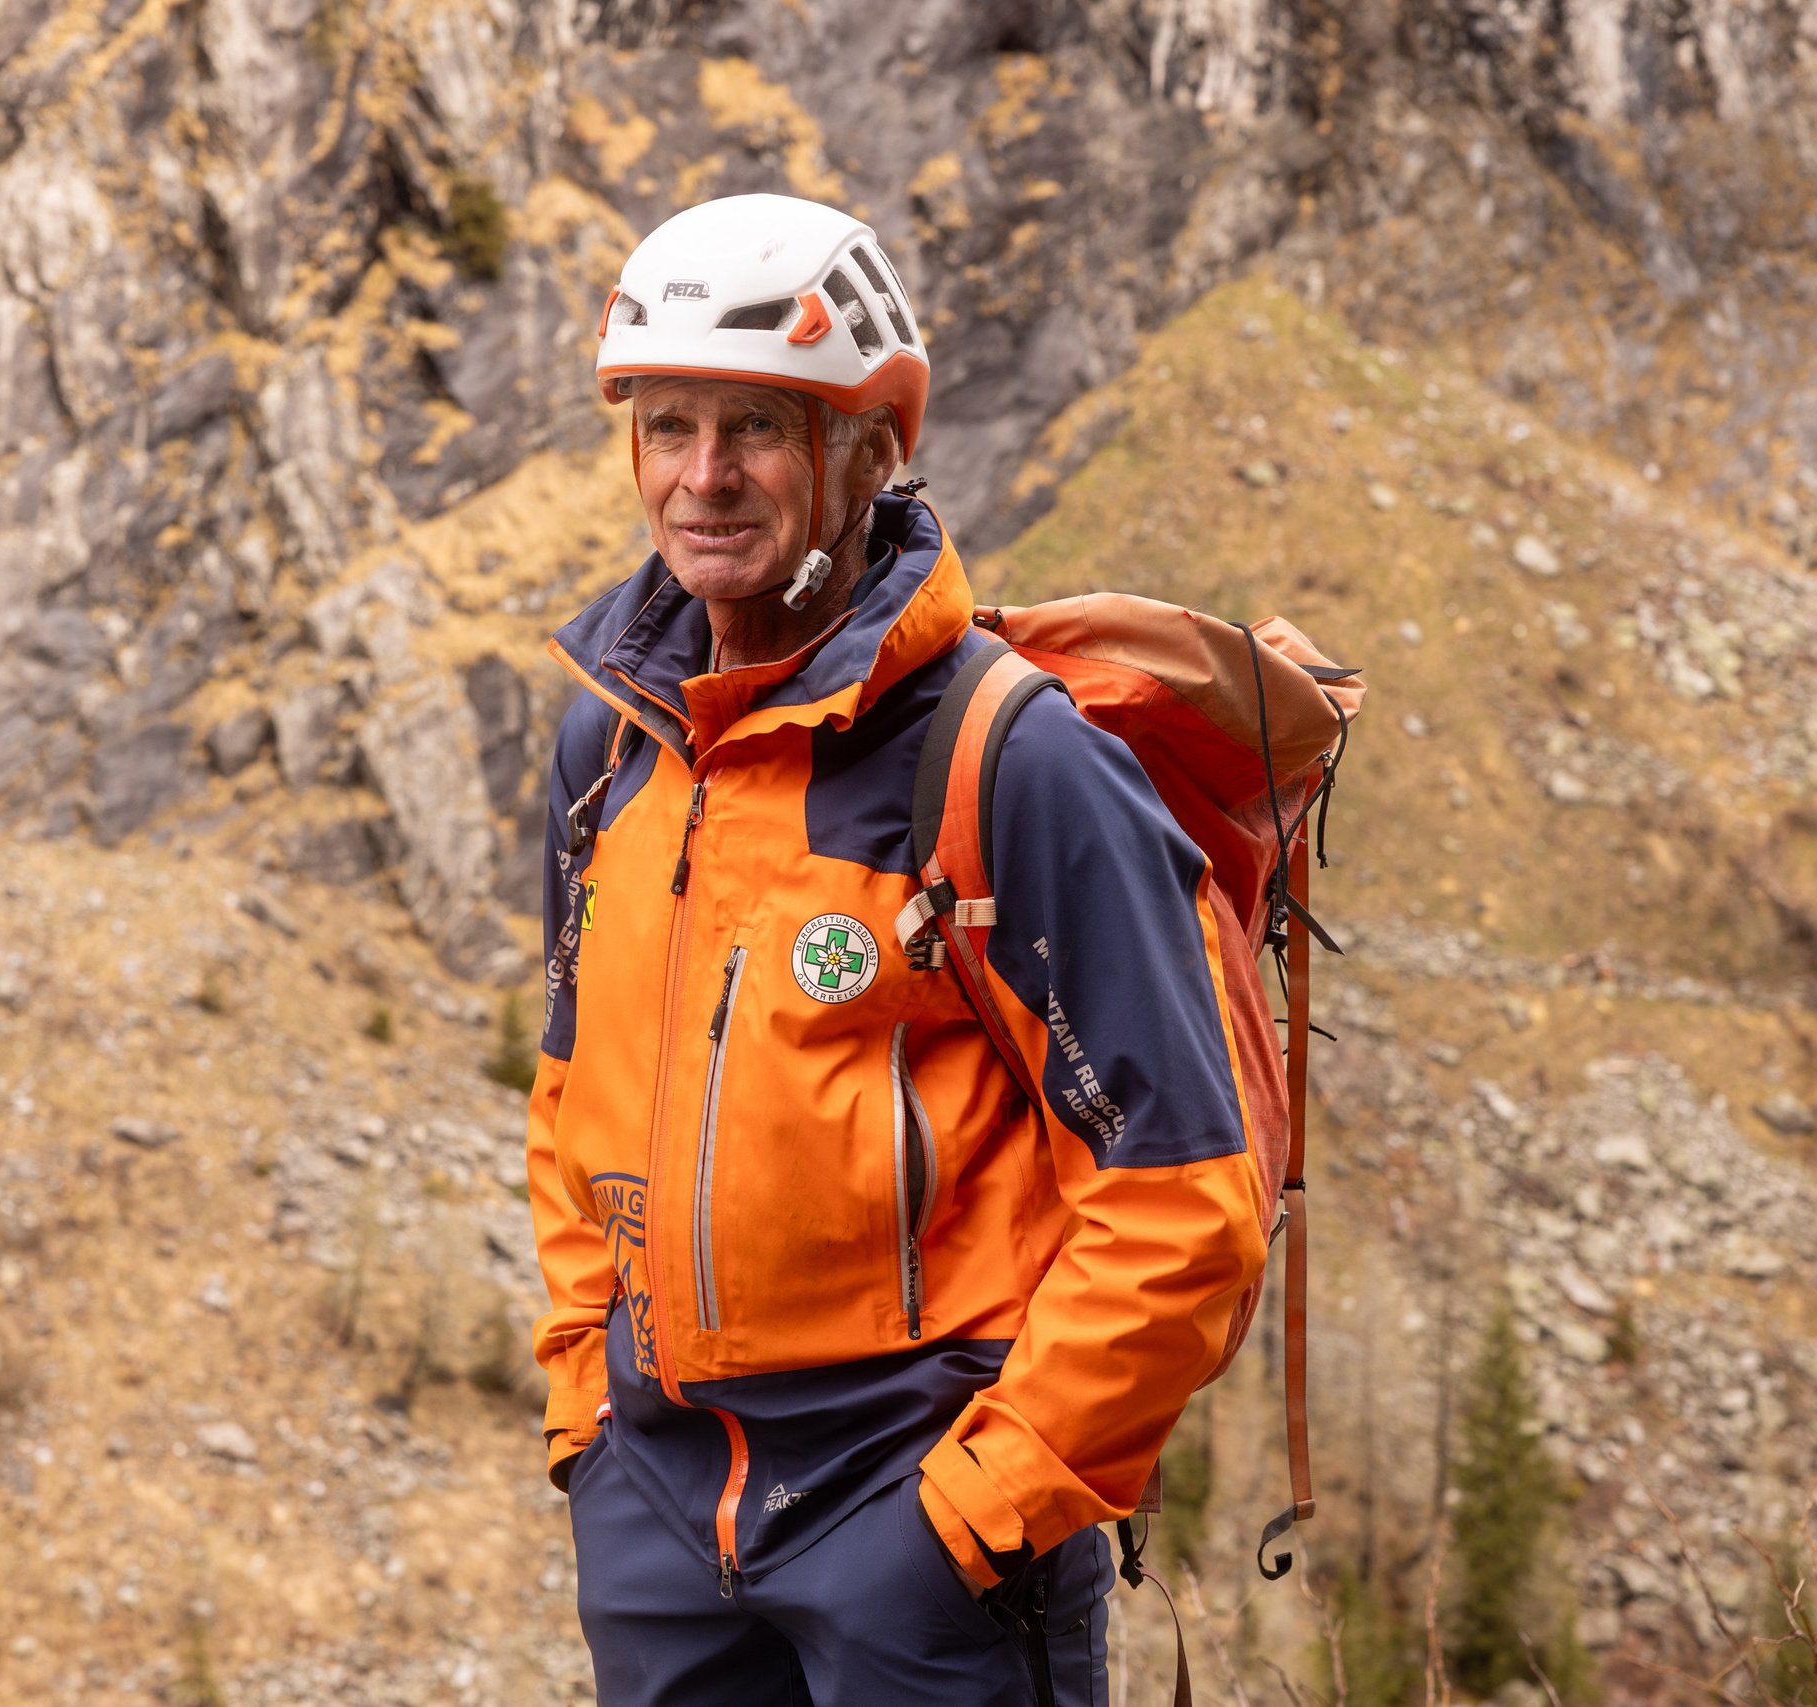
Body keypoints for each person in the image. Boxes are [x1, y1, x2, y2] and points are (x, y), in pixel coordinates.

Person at [523, 193, 1274, 1706]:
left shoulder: (1011, 762)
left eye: (760, 429)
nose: (702, 478)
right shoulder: (606, 748)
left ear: (873, 447)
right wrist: (588, 1421)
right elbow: (570, 1101)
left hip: (920, 1525)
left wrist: (977, 1516)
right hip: (664, 1521)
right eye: (667, 426)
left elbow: (1185, 1201)